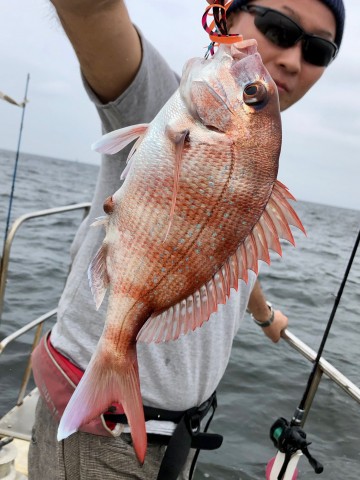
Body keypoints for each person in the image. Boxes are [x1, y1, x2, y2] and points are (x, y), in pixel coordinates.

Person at [28, 0, 345, 479]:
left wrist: (263, 315)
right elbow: (88, 12)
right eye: (279, 28)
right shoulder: (157, 98)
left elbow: (228, 256)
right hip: (100, 438)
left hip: (179, 437)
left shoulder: (256, 152)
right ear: (223, 15)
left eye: (319, 49)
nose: (293, 58)